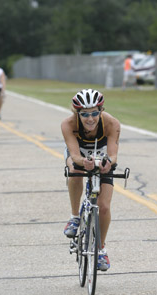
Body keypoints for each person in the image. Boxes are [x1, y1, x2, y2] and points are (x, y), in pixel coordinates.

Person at [61, 89, 120, 271]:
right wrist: (82, 162)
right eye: (84, 114)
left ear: (101, 110)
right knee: (74, 170)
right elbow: (75, 155)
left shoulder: (112, 124)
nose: (90, 118)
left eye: (95, 113)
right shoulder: (68, 124)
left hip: (102, 157)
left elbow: (113, 155)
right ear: (76, 113)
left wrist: (107, 163)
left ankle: (101, 248)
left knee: (104, 207)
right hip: (79, 155)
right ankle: (74, 216)